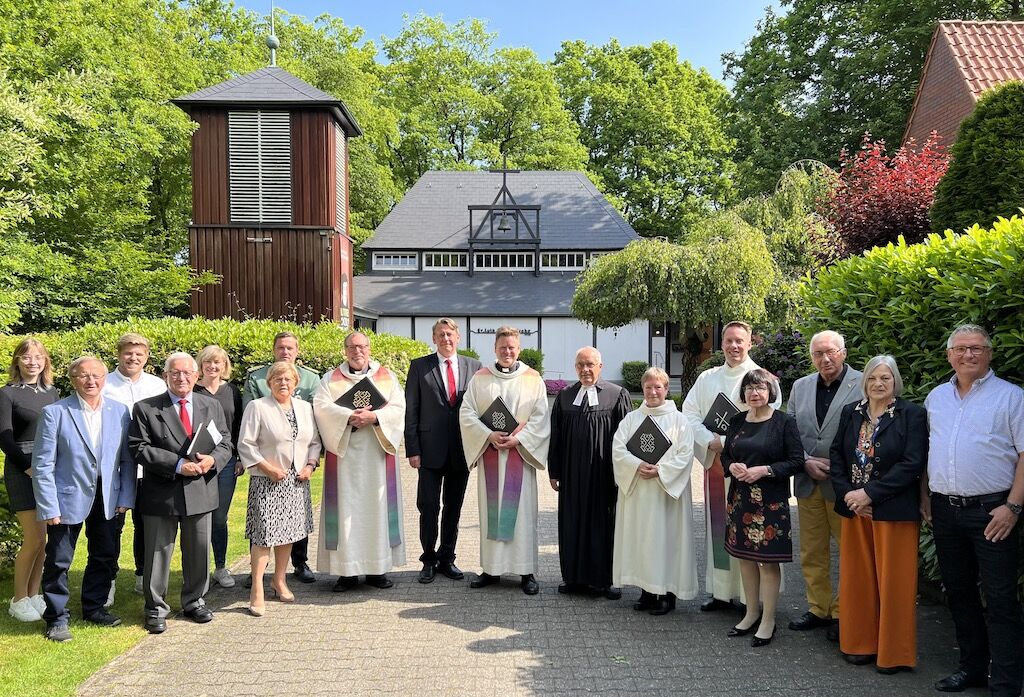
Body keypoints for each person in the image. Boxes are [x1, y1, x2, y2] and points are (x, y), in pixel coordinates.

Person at [921, 324, 1023, 697]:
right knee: (959, 592)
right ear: (949, 355)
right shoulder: (936, 398)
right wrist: (925, 496)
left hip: (993, 511)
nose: (968, 355)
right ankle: (973, 669)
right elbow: (928, 450)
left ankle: (1008, 682)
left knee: (999, 599)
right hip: (946, 511)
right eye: (960, 349)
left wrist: (1012, 507)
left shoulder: (1012, 398)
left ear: (989, 353)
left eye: (976, 349)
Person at [830, 355, 927, 673]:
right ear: (865, 382)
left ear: (895, 381)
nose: (879, 383)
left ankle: (893, 654)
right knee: (857, 580)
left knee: (894, 583)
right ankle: (859, 644)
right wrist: (849, 494)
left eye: (885, 377)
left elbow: (912, 463)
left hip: (893, 511)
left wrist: (869, 493)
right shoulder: (851, 412)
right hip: (855, 509)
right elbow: (836, 454)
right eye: (873, 378)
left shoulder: (911, 414)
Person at [31, 357, 135, 642]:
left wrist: (125, 495)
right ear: (73, 379)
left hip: (107, 498)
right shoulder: (55, 412)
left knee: (104, 555)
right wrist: (49, 505)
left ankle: (95, 607)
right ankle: (56, 617)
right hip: (66, 499)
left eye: (97, 375)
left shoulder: (120, 411)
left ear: (105, 378)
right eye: (84, 376)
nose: (91, 381)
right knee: (59, 561)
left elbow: (126, 459)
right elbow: (42, 465)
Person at [681, 321, 781, 612]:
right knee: (718, 527)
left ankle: (753, 598)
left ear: (750, 343)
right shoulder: (708, 378)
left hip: (751, 470)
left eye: (740, 341)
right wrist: (709, 440)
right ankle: (721, 592)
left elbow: (770, 421)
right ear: (721, 344)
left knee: (752, 528)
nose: (734, 346)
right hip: (716, 465)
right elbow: (689, 414)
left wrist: (726, 441)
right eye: (728, 341)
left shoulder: (764, 379)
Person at [129, 352, 232, 634]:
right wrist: (177, 465)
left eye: (187, 373)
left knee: (198, 551)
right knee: (158, 553)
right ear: (165, 377)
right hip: (162, 490)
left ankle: (194, 601)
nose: (182, 377)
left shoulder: (210, 405)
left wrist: (213, 461)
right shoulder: (146, 408)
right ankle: (155, 608)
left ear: (196, 376)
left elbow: (225, 442)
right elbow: (139, 448)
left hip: (200, 489)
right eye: (175, 373)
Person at [460, 326, 550, 595]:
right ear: (495, 350)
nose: (507, 352)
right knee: (491, 514)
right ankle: (491, 569)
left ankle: (526, 571)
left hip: (519, 457)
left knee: (522, 517)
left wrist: (519, 440)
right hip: (491, 455)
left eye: (512, 347)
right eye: (503, 348)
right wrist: (487, 435)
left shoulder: (533, 379)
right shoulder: (480, 379)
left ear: (519, 349)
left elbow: (541, 416)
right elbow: (467, 413)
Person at [313, 332, 406, 591]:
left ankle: (377, 570)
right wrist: (349, 415)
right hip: (344, 458)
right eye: (352, 347)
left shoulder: (386, 377)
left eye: (362, 346)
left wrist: (375, 418)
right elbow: (321, 407)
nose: (357, 351)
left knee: (376, 509)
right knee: (346, 511)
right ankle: (347, 573)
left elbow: (399, 407)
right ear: (345, 350)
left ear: (369, 348)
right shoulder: (330, 379)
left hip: (377, 454)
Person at [786, 330, 862, 641]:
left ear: (843, 352)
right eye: (818, 353)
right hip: (808, 482)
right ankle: (818, 608)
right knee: (812, 551)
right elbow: (789, 430)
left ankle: (845, 612)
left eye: (830, 352)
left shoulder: (863, 383)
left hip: (844, 485)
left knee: (849, 552)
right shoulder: (800, 387)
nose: (825, 358)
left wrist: (841, 465)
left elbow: (871, 429)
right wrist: (804, 460)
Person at [721, 368, 803, 647]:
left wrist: (764, 470)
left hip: (770, 502)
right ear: (743, 393)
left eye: (760, 388)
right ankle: (751, 612)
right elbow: (725, 455)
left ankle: (768, 618)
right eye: (749, 388)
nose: (754, 393)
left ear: (771, 392)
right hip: (740, 499)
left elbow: (796, 461)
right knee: (744, 558)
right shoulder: (736, 420)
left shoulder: (784, 422)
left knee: (768, 562)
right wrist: (731, 465)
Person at [611, 367, 696, 615]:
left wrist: (661, 470)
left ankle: (667, 595)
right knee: (642, 541)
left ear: (666, 389)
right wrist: (637, 465)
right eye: (648, 387)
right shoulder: (632, 419)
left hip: (665, 494)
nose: (653, 392)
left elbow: (685, 454)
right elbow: (618, 449)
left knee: (666, 541)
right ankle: (646, 592)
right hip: (639, 492)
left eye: (658, 387)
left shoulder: (679, 420)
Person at [238, 362, 321, 616]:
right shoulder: (257, 407)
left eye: (287, 379)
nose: (283, 383)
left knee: (289, 534)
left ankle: (279, 580)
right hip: (268, 481)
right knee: (264, 537)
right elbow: (246, 444)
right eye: (277, 379)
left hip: (297, 482)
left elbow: (315, 441)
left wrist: (310, 465)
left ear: (296, 383)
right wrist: (267, 468)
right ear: (268, 382)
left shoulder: (305, 408)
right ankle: (257, 589)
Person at [404, 318, 481, 584]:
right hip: (428, 451)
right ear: (434, 339)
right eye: (440, 335)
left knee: (454, 508)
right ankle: (428, 559)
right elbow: (411, 410)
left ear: (458, 338)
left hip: (461, 451)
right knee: (428, 507)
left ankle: (447, 558)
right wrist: (412, 448)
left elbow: (481, 409)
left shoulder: (474, 367)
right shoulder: (419, 367)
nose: (446, 339)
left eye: (450, 334)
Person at [550, 346, 632, 598]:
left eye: (590, 365)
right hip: (572, 474)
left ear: (600, 367)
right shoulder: (565, 396)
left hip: (603, 474)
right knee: (572, 522)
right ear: (575, 368)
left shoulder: (617, 395)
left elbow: (626, 437)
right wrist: (554, 471)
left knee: (602, 524)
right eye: (580, 365)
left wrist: (623, 473)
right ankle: (573, 578)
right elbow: (556, 436)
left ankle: (603, 580)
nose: (585, 370)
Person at [103, 332, 166, 598]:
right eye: (128, 353)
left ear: (147, 357)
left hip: (147, 470)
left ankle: (142, 574)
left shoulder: (157, 386)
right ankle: (109, 578)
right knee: (111, 526)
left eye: (139, 354)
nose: (133, 358)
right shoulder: (103, 383)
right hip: (113, 470)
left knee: (145, 524)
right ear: (118, 354)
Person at [2, 339, 59, 622]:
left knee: (44, 539)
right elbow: (4, 437)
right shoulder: (7, 393)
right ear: (17, 361)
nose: (32, 361)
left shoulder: (52, 392)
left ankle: (34, 594)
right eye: (26, 357)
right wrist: (27, 468)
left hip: (48, 465)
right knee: (33, 538)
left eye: (38, 356)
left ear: (45, 361)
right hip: (22, 467)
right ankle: (18, 599)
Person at [194, 345, 243, 589]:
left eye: (218, 363)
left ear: (225, 366)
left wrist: (240, 458)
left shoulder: (232, 391)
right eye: (208, 362)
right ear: (200, 365)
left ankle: (220, 567)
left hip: (226, 463)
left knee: (219, 517)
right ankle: (197, 571)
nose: (213, 367)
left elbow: (238, 426)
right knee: (196, 517)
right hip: (197, 462)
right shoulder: (193, 390)